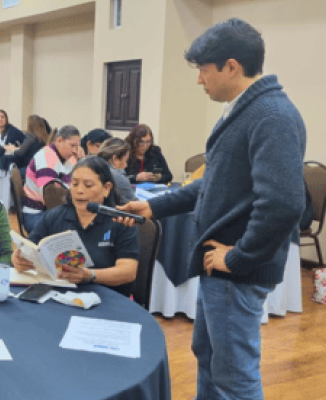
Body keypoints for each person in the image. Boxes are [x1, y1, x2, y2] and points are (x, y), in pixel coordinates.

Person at [115, 19, 306, 400]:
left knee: (235, 376)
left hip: (236, 270)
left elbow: (284, 205)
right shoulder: (244, 111)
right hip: (220, 264)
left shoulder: (271, 116)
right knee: (210, 356)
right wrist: (154, 208)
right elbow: (213, 183)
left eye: (204, 69)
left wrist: (238, 257)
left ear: (231, 66)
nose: (200, 80)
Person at [13, 156, 139, 296]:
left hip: (108, 297)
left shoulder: (120, 220)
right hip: (60, 294)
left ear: (106, 188)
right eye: (75, 183)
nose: (79, 190)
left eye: (88, 185)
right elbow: (29, 246)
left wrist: (90, 275)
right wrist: (18, 258)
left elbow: (128, 272)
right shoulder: (55, 216)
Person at [22, 125, 82, 233]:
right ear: (59, 141)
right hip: (37, 214)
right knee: (78, 228)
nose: (75, 150)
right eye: (72, 145)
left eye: (77, 146)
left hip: (55, 210)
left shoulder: (69, 158)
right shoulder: (46, 158)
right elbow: (52, 200)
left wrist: (82, 160)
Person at [97, 138, 137, 202]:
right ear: (115, 159)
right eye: (125, 160)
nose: (126, 165)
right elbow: (136, 206)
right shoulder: (119, 178)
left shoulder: (91, 168)